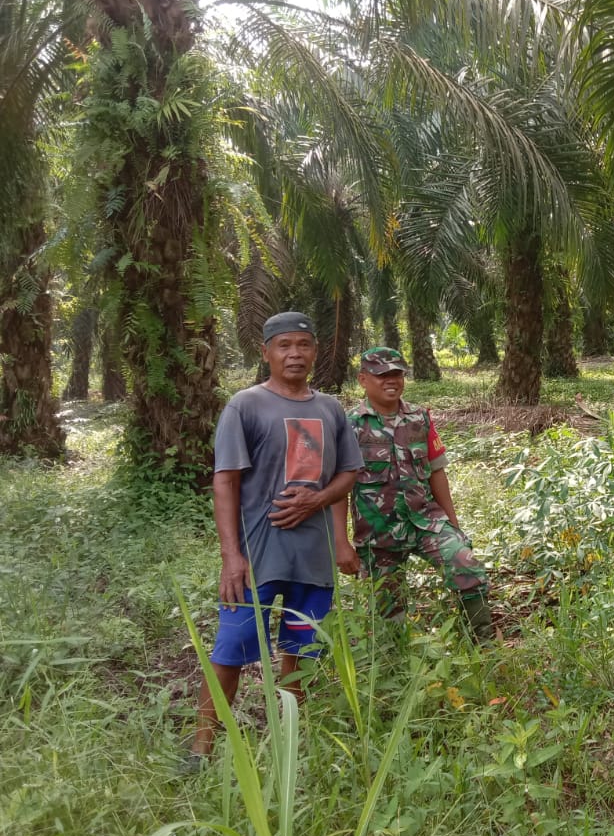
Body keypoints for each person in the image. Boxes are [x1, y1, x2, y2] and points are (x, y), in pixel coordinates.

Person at [188, 312, 363, 763]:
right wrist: (232, 557)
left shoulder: (330, 409)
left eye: (303, 345)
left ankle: (290, 741)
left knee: (300, 650)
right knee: (230, 650)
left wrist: (317, 500)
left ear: (316, 351)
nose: (294, 354)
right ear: (265, 352)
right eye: (284, 345)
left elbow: (349, 474)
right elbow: (224, 482)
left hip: (313, 559)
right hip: (257, 559)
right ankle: (202, 748)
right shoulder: (244, 406)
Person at [346, 346, 495, 641]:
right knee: (388, 612)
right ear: (363, 379)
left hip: (426, 522)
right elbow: (341, 486)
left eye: (397, 374)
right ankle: (396, 662)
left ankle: (484, 643)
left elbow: (437, 472)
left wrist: (454, 524)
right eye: (381, 375)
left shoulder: (419, 418)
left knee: (465, 564)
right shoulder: (350, 424)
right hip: (379, 533)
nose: (391, 381)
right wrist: (341, 542)